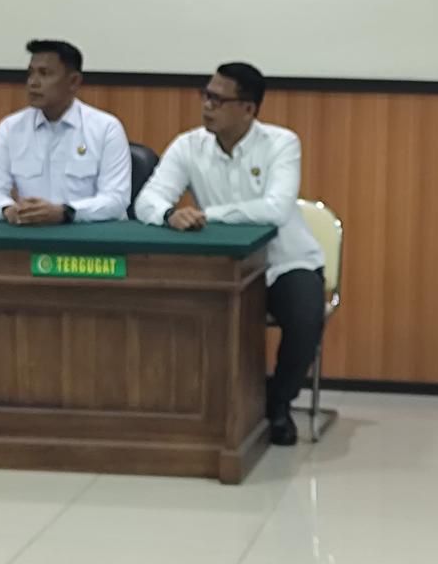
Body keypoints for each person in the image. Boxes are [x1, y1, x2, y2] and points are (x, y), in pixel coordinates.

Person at [134, 62, 326, 446]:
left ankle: (278, 402)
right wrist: (169, 214)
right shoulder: (188, 146)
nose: (207, 106)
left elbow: (274, 210)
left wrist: (206, 215)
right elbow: (147, 201)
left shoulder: (281, 143)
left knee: (306, 317)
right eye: (206, 96)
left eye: (218, 100)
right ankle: (202, 405)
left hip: (285, 261)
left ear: (248, 109)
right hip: (224, 267)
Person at [0, 40, 130, 225]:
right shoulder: (11, 128)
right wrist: (7, 209)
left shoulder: (106, 128)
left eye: (44, 73)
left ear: (73, 81)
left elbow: (116, 200)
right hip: (30, 232)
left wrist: (66, 212)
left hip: (89, 236)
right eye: (30, 73)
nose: (33, 82)